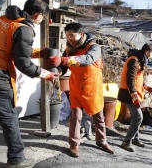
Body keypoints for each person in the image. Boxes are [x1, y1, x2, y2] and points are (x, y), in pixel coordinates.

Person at [0, 0, 57, 168]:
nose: (42, 21)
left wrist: (39, 52)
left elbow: (7, 48)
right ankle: (16, 159)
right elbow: (23, 63)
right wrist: (45, 74)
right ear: (38, 15)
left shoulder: (3, 19)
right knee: (9, 117)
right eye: (43, 18)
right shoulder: (24, 29)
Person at [49, 22, 114, 157]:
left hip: (92, 89)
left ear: (81, 34)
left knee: (99, 117)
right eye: (67, 36)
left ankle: (101, 141)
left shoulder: (94, 47)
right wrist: (58, 72)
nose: (70, 38)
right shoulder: (69, 50)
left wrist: (64, 61)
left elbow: (87, 59)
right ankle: (74, 144)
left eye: (72, 35)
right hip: (76, 88)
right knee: (76, 116)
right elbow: (64, 67)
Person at [117, 43, 152, 152]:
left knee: (135, 116)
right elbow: (130, 80)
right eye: (151, 53)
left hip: (135, 93)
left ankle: (135, 138)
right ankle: (127, 141)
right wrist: (134, 96)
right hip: (130, 94)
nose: (151, 56)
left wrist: (145, 87)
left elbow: (137, 78)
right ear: (147, 52)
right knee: (138, 117)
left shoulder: (139, 59)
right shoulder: (134, 60)